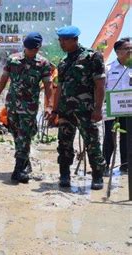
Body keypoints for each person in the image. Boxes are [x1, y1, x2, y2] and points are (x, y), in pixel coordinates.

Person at [48, 25, 107, 190]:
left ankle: (97, 176)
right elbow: (59, 87)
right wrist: (55, 110)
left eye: (64, 40)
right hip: (66, 110)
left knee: (92, 143)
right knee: (64, 143)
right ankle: (64, 175)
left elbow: (100, 84)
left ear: (74, 39)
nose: (61, 43)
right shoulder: (64, 62)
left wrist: (97, 108)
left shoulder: (92, 57)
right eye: (60, 40)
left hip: (86, 110)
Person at [0, 32, 53, 183]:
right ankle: (25, 162)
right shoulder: (13, 60)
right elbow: (4, 79)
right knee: (15, 133)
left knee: (24, 135)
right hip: (12, 103)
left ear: (38, 48)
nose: (31, 51)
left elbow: (48, 85)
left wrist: (50, 105)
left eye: (33, 49)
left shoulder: (43, 63)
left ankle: (18, 169)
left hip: (30, 106)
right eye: (28, 48)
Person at [103, 37, 130, 174]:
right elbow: (102, 89)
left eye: (131, 48)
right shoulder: (108, 68)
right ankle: (105, 165)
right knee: (110, 136)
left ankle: (125, 166)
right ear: (118, 52)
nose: (130, 51)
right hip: (111, 108)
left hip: (129, 109)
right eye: (127, 48)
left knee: (127, 137)